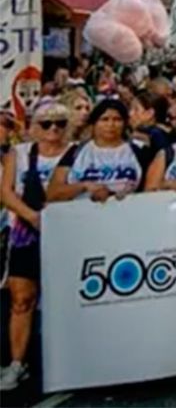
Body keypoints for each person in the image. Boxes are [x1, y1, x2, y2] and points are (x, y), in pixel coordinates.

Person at [0, 100, 74, 391]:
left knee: (67, 299)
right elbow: (6, 192)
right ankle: (17, 363)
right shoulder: (19, 153)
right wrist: (31, 216)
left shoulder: (77, 152)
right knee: (22, 299)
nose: (53, 129)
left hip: (68, 234)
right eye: (46, 123)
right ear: (34, 126)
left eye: (60, 123)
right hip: (26, 233)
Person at [48, 99, 143, 201]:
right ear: (94, 123)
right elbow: (52, 193)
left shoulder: (138, 151)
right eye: (104, 119)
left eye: (117, 119)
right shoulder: (76, 151)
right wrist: (84, 186)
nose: (111, 124)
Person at [127, 89, 176, 162]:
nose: (130, 114)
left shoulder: (151, 135)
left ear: (150, 113)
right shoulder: (168, 133)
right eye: (130, 109)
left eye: (136, 109)